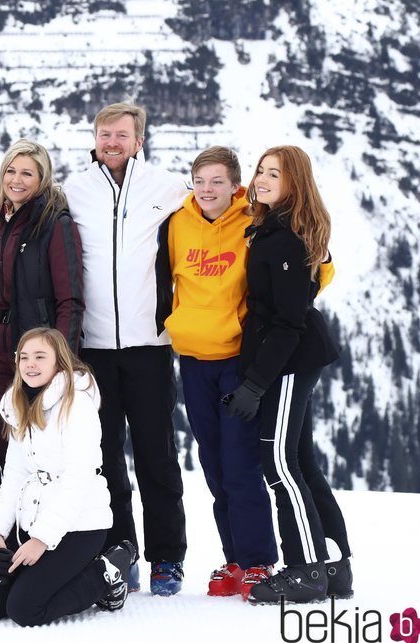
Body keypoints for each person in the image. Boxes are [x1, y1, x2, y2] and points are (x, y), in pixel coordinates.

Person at [63, 102, 189, 595]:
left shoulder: (168, 187)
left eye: (122, 135)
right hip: (92, 348)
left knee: (157, 454)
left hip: (150, 345)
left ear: (139, 140)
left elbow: (220, 212)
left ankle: (167, 558)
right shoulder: (75, 189)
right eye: (104, 134)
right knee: (105, 454)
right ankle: (121, 550)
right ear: (95, 139)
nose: (112, 142)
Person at [228, 145, 352, 605]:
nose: (260, 179)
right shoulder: (275, 228)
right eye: (260, 170)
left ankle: (305, 570)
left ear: (293, 183)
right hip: (292, 357)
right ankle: (335, 566)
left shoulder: (286, 240)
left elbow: (288, 322)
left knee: (279, 465)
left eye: (273, 174)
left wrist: (256, 383)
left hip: (289, 360)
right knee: (299, 462)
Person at [163, 146, 279, 600]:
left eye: (217, 181)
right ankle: (233, 558)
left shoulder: (255, 221)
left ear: (235, 186)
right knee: (213, 464)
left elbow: (309, 267)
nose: (207, 189)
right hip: (193, 361)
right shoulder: (178, 224)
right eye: (200, 180)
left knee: (240, 465)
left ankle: (258, 563)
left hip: (237, 361)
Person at [0, 328, 137, 627]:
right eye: (24, 357)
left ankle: (107, 572)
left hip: (80, 525)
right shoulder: (19, 405)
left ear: (59, 363)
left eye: (39, 357)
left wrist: (40, 540)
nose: (30, 364)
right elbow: (13, 479)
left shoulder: (77, 405)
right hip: (34, 521)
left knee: (25, 609)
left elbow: (78, 482)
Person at [0, 139, 84, 459]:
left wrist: (64, 360)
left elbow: (71, 299)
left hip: (38, 347)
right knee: (0, 435)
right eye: (11, 171)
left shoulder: (55, 223)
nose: (16, 180)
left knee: (37, 439)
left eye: (27, 174)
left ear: (42, 180)